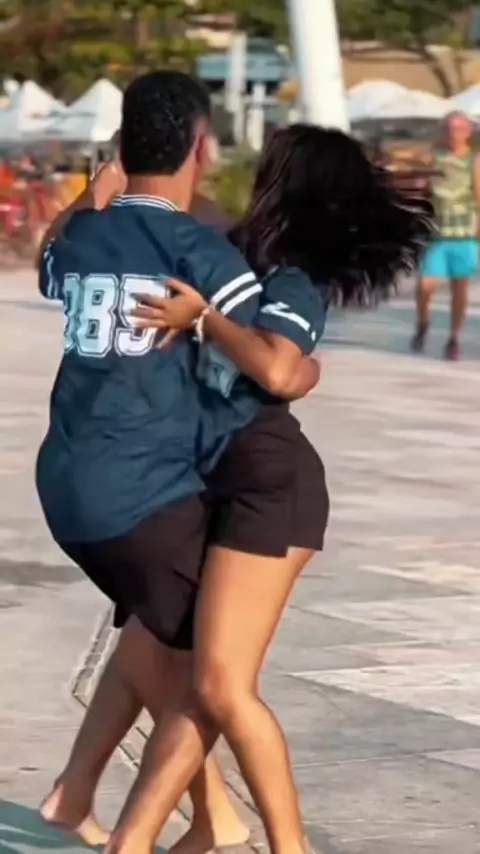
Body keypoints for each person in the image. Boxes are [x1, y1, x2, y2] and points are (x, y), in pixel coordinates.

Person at [59, 128, 430, 854]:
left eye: (268, 163)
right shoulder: (229, 252)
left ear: (287, 181)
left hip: (268, 485)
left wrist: (204, 320)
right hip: (200, 480)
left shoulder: (293, 277)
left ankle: (277, 846)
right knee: (152, 654)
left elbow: (282, 372)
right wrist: (103, 194)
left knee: (221, 684)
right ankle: (166, 823)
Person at [36, 72, 318, 853]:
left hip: (67, 488)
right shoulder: (204, 254)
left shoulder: (83, 239)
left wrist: (93, 192)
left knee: (157, 641)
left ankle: (137, 806)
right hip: (143, 493)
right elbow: (272, 361)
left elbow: (49, 257)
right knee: (211, 674)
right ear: (202, 146)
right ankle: (198, 829)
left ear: (123, 147)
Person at [412, 111, 480, 360]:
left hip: (464, 234)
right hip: (437, 234)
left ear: (468, 133)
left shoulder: (474, 161)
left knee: (459, 288)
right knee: (424, 286)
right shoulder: (435, 158)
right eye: (450, 129)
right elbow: (422, 192)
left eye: (459, 129)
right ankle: (423, 323)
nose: (454, 134)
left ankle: (454, 338)